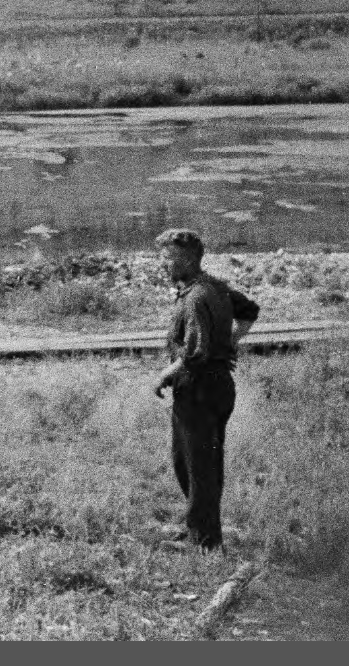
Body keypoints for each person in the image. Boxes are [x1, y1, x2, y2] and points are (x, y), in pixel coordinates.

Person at [151, 228, 258, 550]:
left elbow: (195, 354)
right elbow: (249, 311)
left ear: (185, 260)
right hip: (219, 386)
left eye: (167, 259)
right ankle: (200, 527)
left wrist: (163, 375)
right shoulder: (215, 286)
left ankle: (205, 541)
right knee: (193, 461)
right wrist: (231, 341)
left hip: (199, 388)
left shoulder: (197, 297)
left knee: (197, 464)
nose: (162, 265)